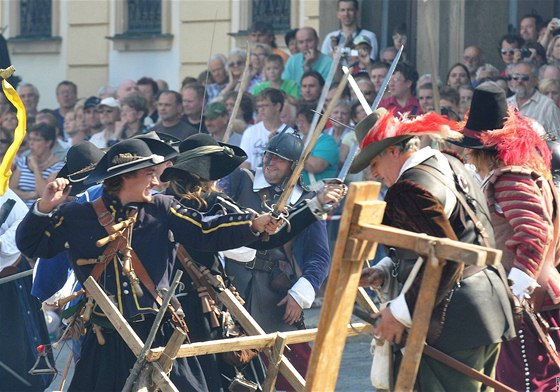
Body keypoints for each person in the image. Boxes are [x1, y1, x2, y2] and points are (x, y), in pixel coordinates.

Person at [15, 137, 279, 391]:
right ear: (126, 176)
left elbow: (206, 229)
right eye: (150, 174)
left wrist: (252, 224)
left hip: (159, 332)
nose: (157, 181)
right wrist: (43, 208)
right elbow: (32, 245)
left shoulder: (164, 208)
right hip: (105, 339)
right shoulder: (76, 215)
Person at [353, 107, 515, 390]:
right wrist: (386, 270)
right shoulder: (451, 163)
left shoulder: (408, 189)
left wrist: (398, 313)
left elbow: (448, 258)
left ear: (393, 151)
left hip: (454, 322)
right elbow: (444, 241)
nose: (373, 173)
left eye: (374, 161)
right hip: (488, 306)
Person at [454, 81, 560, 391]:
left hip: (528, 300)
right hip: (536, 296)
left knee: (524, 385)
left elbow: (535, 233)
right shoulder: (523, 174)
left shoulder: (510, 177)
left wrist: (515, 290)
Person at [225, 131, 340, 389]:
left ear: (294, 167)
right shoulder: (241, 181)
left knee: (297, 375)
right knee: (227, 364)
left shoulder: (308, 200)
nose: (270, 162)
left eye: (279, 159)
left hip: (275, 293)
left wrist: (300, 294)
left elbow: (318, 256)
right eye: (268, 155)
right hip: (231, 287)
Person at [0, 189, 55, 391]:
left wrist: (1, 244)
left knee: (20, 353)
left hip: (11, 279)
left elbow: (24, 218)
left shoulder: (1, 189)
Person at [10, 123, 65, 207]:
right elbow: (11, 190)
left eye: (36, 140)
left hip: (39, 211)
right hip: (18, 208)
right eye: (30, 139)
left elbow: (44, 194)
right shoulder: (23, 160)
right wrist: (31, 195)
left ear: (48, 143)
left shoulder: (58, 166)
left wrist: (36, 168)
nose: (31, 143)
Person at [240, 88, 293, 170]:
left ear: (278, 106)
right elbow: (245, 164)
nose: (261, 110)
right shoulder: (250, 132)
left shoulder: (290, 134)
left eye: (265, 105)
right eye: (259, 106)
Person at [507, 60, 560, 138]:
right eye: (515, 77)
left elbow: (556, 137)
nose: (519, 81)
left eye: (525, 78)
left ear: (536, 80)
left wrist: (538, 136)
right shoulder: (505, 103)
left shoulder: (548, 105)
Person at [296, 104, 338, 188]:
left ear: (314, 122)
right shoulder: (297, 138)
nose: (299, 125)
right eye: (298, 122)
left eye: (302, 122)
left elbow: (316, 166)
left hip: (320, 191)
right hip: (297, 191)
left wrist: (294, 151)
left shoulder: (327, 141)